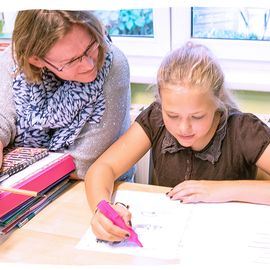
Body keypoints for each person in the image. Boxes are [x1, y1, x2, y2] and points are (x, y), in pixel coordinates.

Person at [85, 41, 270, 242]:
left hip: (228, 238)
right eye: (172, 115)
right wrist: (102, 209)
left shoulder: (244, 129)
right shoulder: (155, 118)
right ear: (160, 103)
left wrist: (217, 190)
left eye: (197, 117)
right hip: (171, 239)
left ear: (217, 102)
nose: (183, 128)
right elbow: (103, 167)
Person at [0, 10, 134, 180]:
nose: (89, 64)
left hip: (95, 185)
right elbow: (2, 119)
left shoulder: (114, 64)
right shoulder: (13, 62)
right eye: (72, 60)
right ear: (36, 60)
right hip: (30, 182)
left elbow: (85, 164)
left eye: (91, 45)